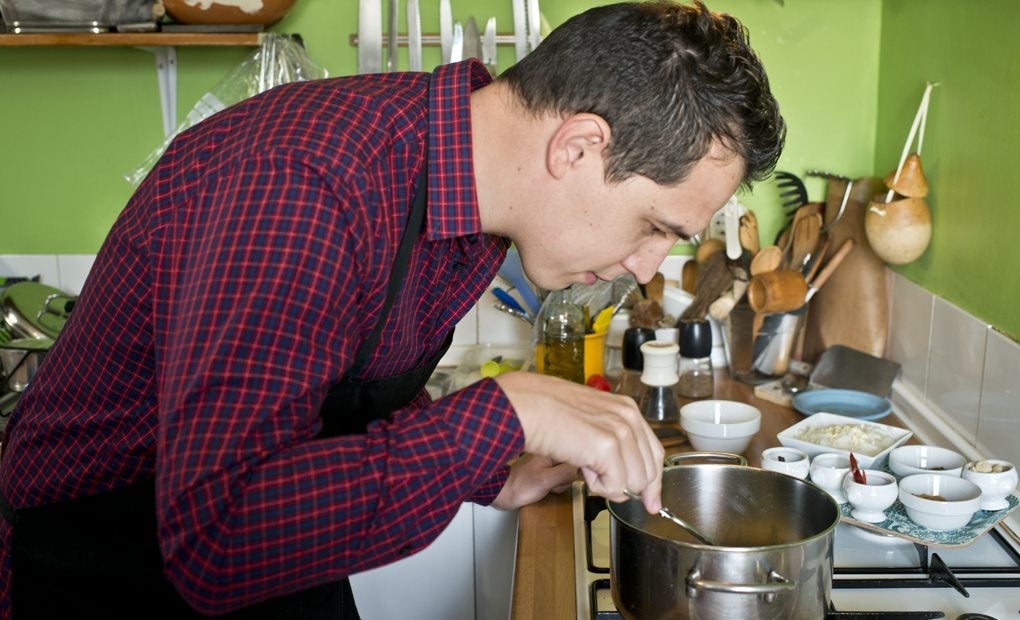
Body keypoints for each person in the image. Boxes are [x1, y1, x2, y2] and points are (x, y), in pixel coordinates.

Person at [0, 1, 784, 617]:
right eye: (655, 227)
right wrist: (501, 414)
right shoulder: (305, 184)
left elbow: (324, 413)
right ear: (578, 147)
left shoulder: (467, 207)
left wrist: (485, 472)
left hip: (279, 564)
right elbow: (216, 539)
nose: (648, 267)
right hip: (105, 574)